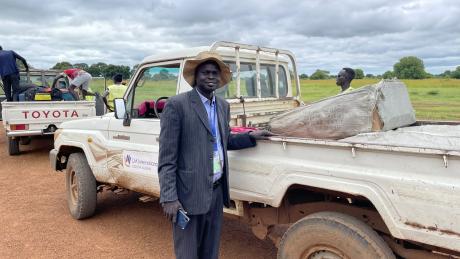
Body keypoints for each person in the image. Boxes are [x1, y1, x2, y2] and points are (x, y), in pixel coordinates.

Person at [158, 51, 273, 259]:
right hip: (188, 194)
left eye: (215, 73)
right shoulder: (177, 105)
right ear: (195, 76)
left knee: (210, 252)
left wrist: (251, 137)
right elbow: (167, 158)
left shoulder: (222, 106)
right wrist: (169, 198)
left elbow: (224, 139)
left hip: (216, 192)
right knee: (188, 253)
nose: (211, 76)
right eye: (205, 72)